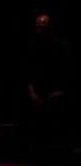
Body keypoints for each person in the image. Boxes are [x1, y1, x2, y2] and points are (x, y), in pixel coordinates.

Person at [23, 12, 74, 153]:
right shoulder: (33, 46)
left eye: (43, 25)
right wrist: (32, 92)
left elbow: (67, 71)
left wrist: (60, 91)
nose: (39, 28)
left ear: (51, 27)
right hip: (38, 90)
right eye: (38, 25)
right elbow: (28, 72)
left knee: (58, 111)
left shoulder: (62, 46)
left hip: (59, 90)